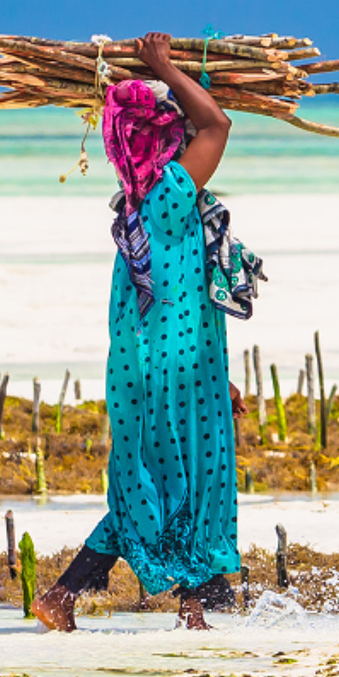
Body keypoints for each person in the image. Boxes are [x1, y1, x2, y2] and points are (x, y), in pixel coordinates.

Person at [36, 31, 260, 632]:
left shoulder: (145, 207)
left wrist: (221, 381)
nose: (187, 137)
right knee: (176, 485)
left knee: (169, 484)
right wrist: (162, 65)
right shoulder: (166, 195)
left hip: (168, 374)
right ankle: (71, 595)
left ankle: (186, 607)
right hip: (171, 380)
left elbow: (182, 305)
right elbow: (219, 126)